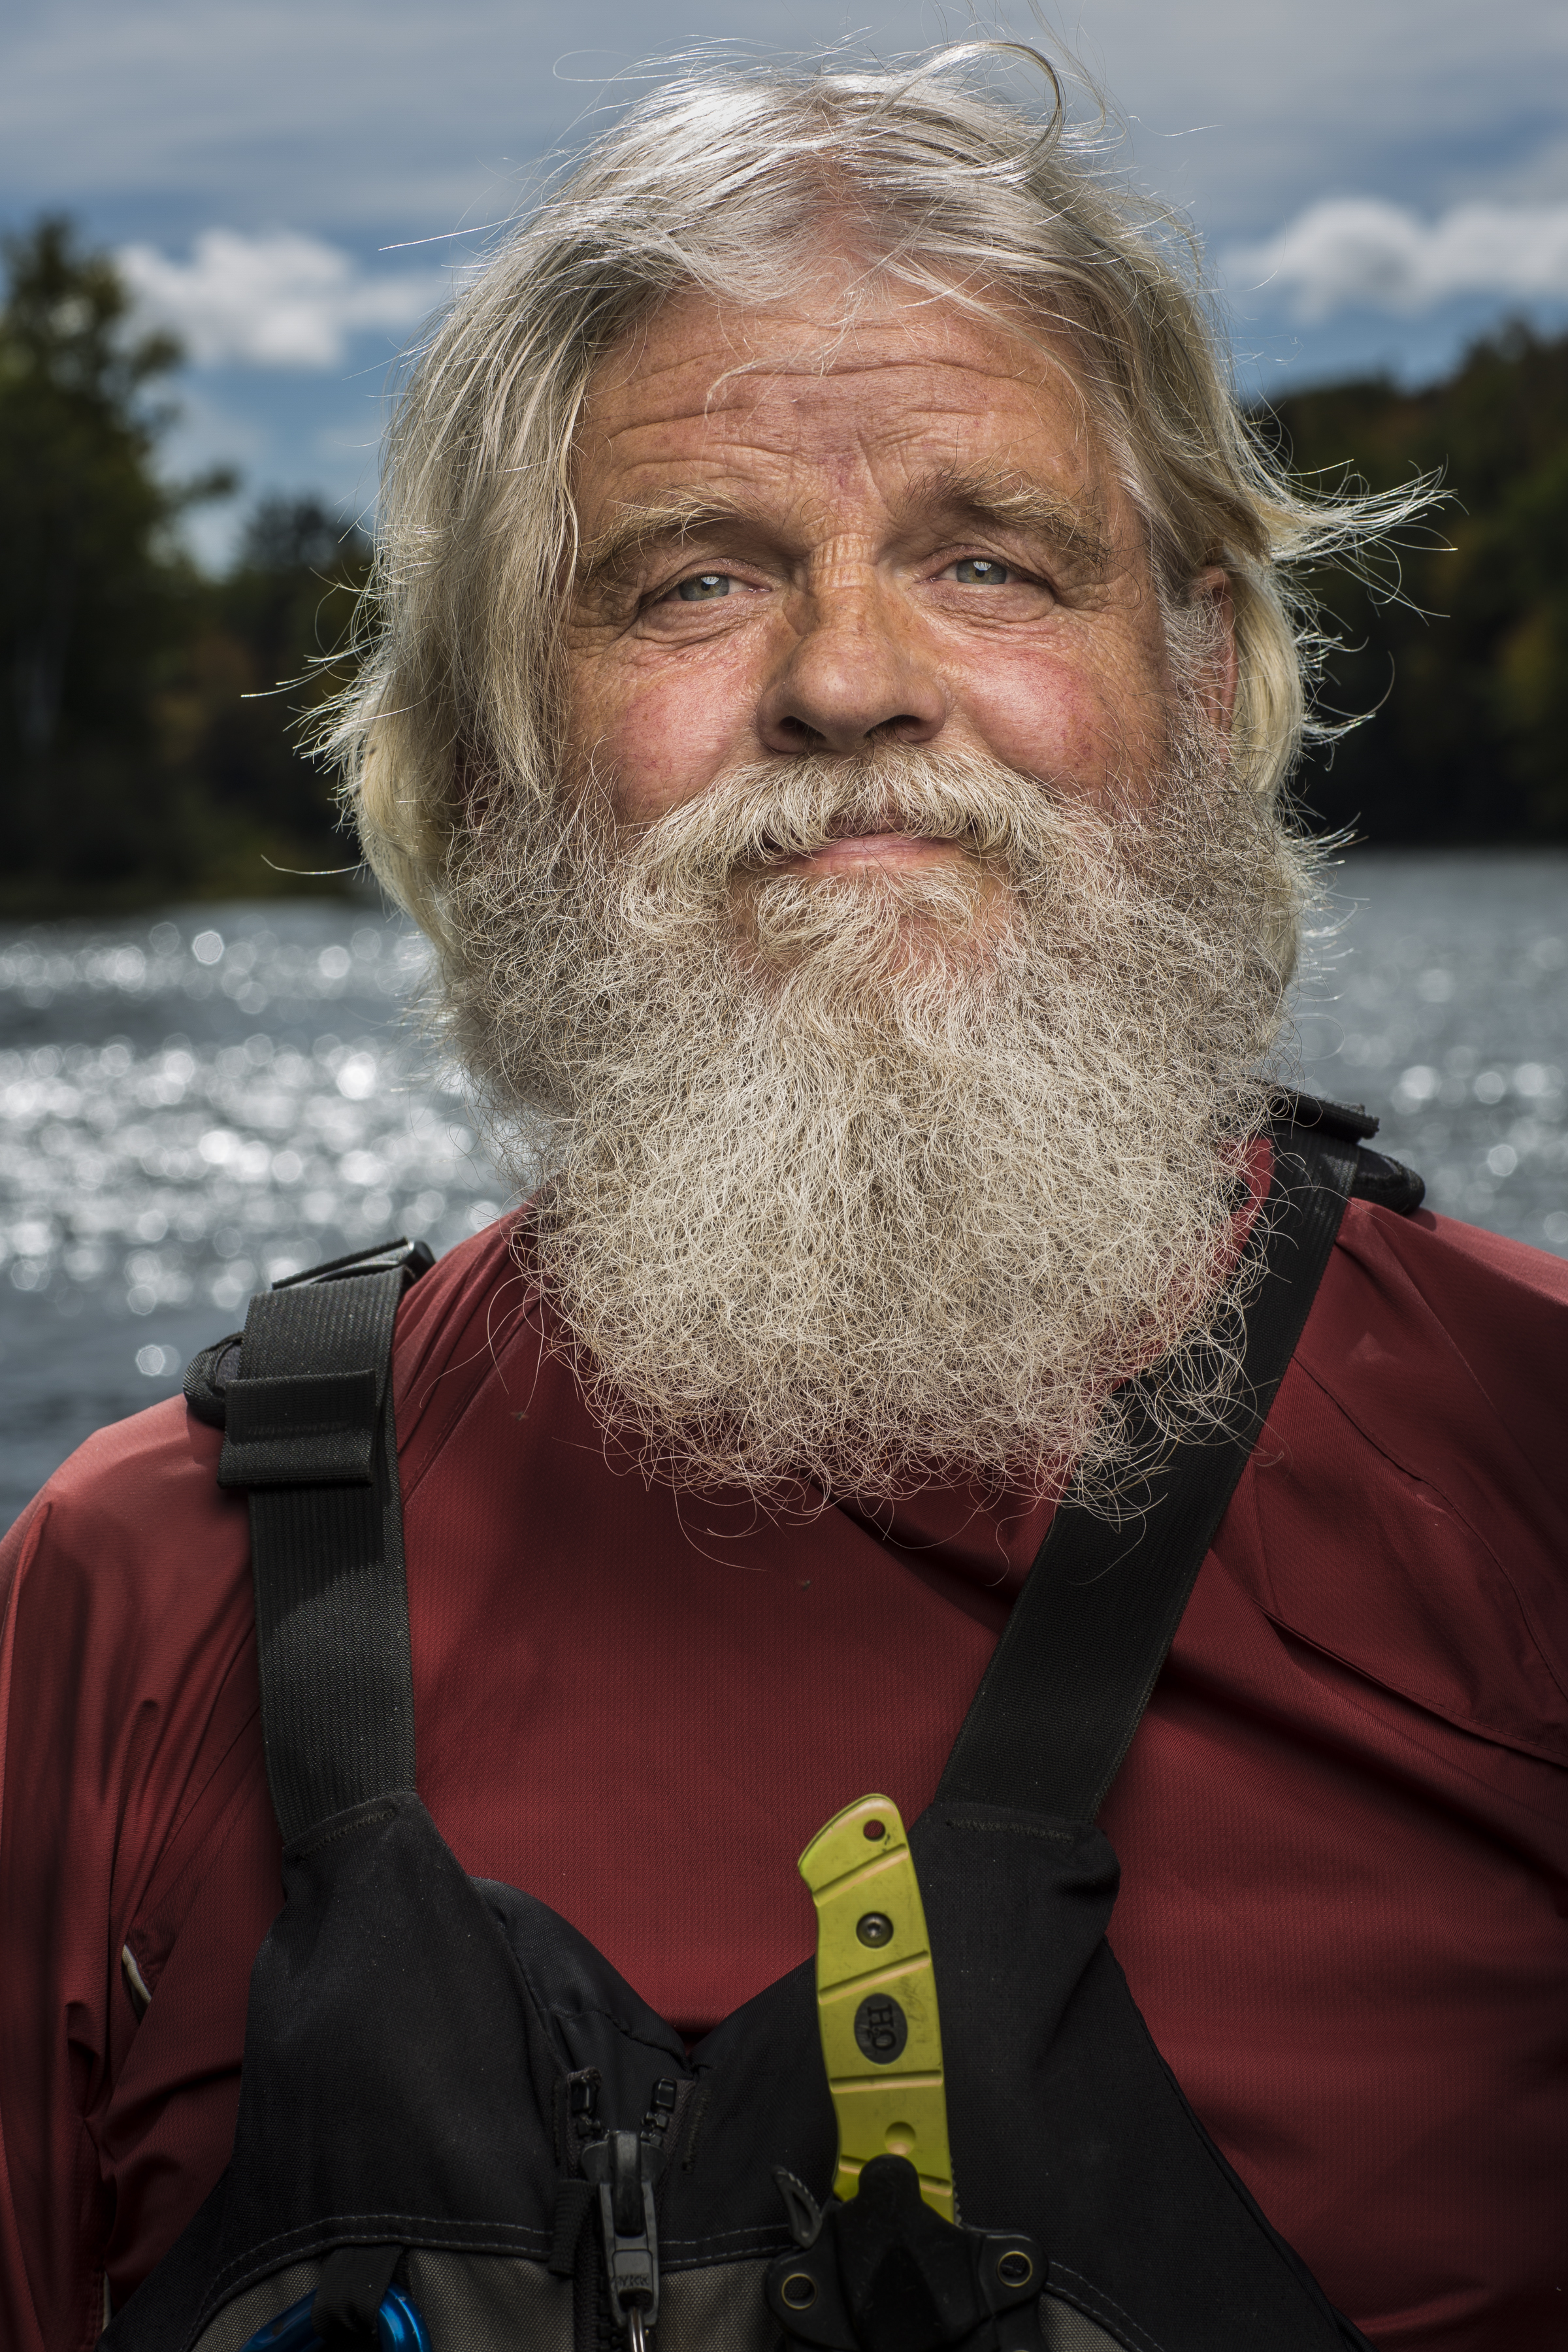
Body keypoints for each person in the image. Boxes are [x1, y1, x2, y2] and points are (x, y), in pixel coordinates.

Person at [1, 45, 1563, 2352]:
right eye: (695, 581)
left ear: (1201, 674)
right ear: (489, 761)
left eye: (988, 558)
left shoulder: (1535, 1470)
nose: (849, 681)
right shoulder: (132, 1602)